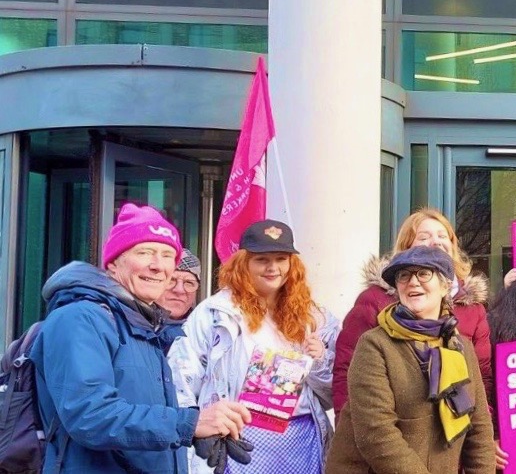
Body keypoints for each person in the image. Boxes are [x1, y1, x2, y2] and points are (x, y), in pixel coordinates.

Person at [31, 202, 250, 473]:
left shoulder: (146, 325)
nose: (158, 266)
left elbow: (143, 420)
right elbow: (89, 416)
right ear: (113, 262)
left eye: (168, 255)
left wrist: (193, 434)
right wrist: (188, 423)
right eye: (145, 252)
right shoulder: (79, 318)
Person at [169, 220, 341, 474]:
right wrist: (195, 429)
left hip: (301, 441)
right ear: (243, 263)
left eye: (281, 259)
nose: (273, 268)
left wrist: (319, 361)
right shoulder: (216, 314)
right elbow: (181, 378)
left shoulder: (313, 317)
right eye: (262, 260)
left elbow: (336, 393)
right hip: (238, 440)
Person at [325, 246, 495, 474]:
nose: (413, 282)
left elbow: (479, 427)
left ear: (445, 285)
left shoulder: (461, 346)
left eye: (424, 273)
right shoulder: (375, 344)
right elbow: (376, 433)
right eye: (403, 276)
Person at [333, 208, 492, 417]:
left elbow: (483, 378)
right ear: (406, 249)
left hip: (457, 430)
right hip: (394, 426)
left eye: (442, 236)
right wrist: (352, 429)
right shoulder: (374, 300)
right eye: (424, 237)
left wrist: (487, 434)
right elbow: (348, 370)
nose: (435, 241)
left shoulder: (472, 309)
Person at [158, 248, 203, 322]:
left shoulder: (205, 329)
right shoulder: (134, 324)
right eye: (170, 280)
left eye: (189, 283)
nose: (179, 290)